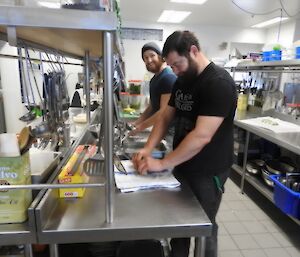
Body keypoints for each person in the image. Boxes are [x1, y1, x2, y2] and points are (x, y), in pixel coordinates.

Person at [132, 31, 237, 257]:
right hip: (184, 162)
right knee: (180, 221)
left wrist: (162, 164)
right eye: (171, 66)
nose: (174, 70)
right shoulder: (182, 80)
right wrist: (148, 148)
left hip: (210, 170)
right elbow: (165, 117)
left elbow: (201, 136)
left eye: (177, 64)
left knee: (204, 225)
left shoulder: (218, 83)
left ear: (193, 51)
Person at [129, 42, 177, 135]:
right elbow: (152, 107)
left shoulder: (168, 77)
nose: (149, 60)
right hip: (161, 129)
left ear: (160, 56)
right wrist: (136, 123)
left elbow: (164, 112)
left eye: (152, 55)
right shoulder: (154, 80)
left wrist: (140, 127)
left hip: (171, 133)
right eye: (145, 58)